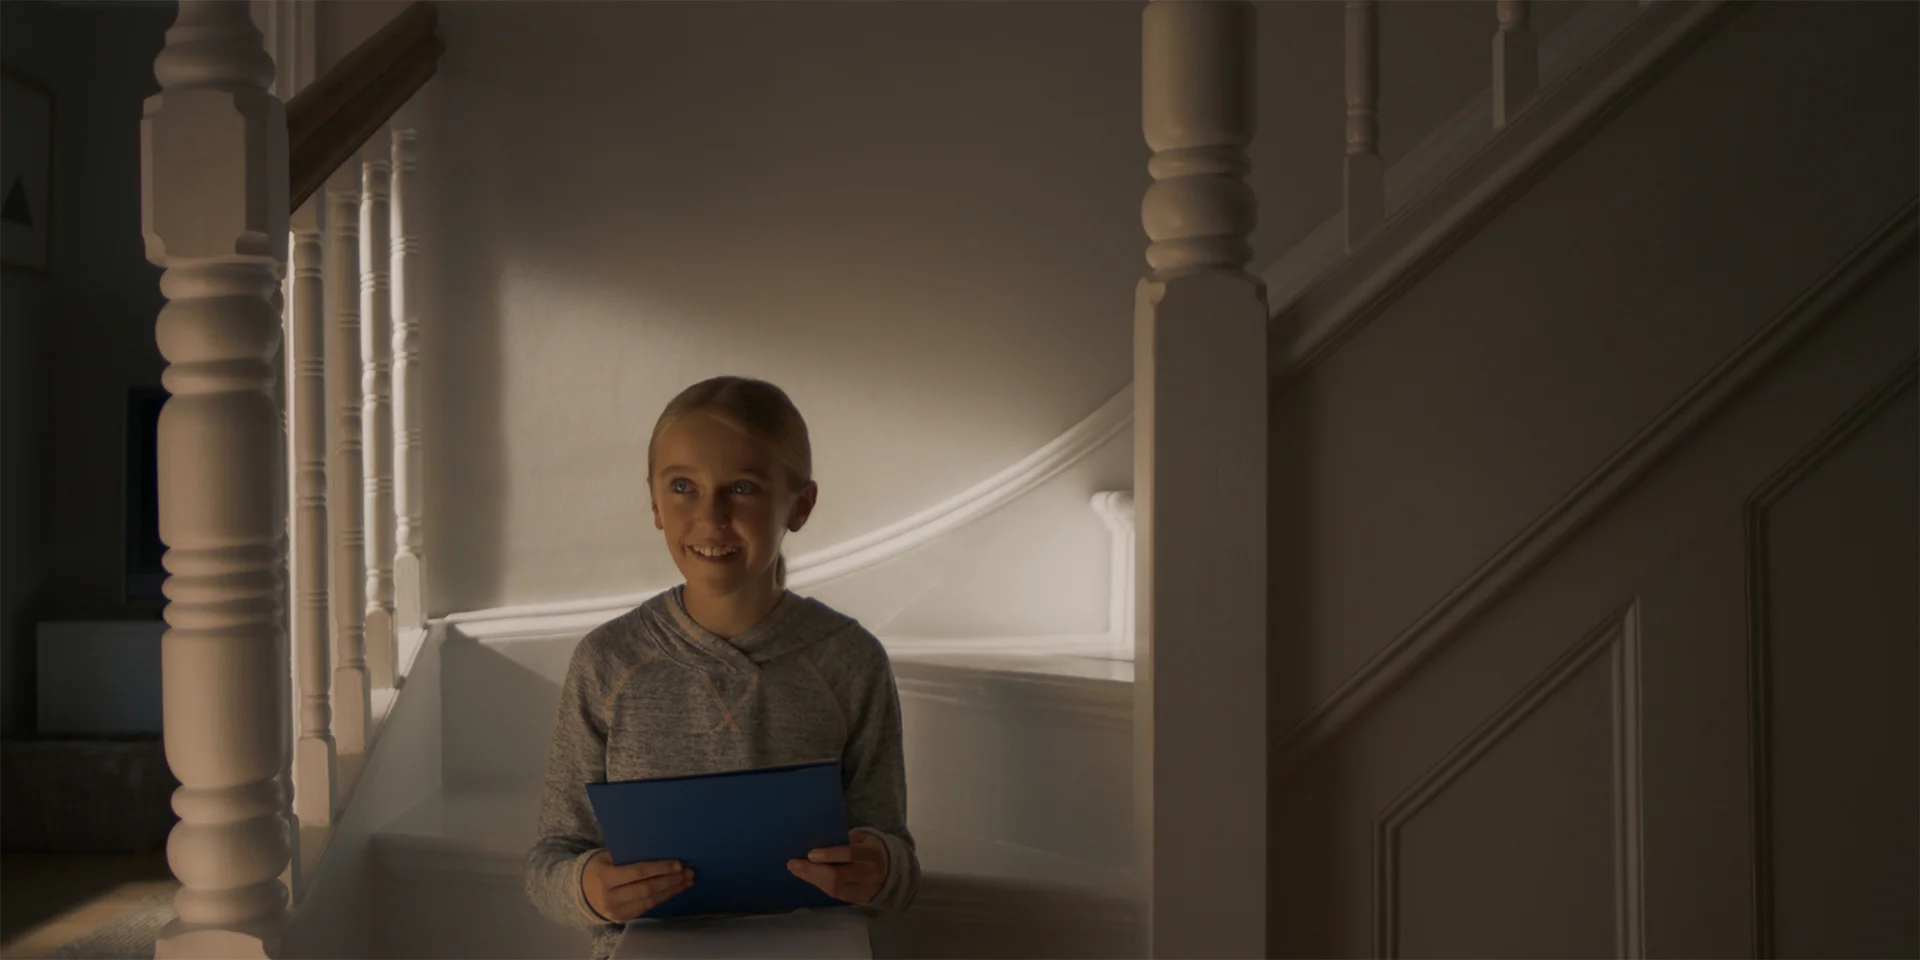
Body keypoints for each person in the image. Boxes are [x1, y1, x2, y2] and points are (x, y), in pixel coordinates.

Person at [524, 376, 920, 959]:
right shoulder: (607, 662)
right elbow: (549, 861)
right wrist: (589, 889)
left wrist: (880, 868)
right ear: (655, 503)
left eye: (742, 487)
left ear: (801, 505)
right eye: (683, 486)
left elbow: (898, 868)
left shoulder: (850, 661)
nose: (711, 515)